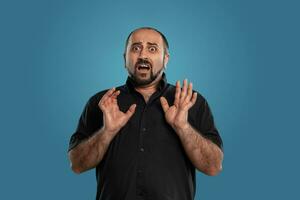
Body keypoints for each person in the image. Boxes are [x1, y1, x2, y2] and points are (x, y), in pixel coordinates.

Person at [68, 27, 224, 200]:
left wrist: (183, 127)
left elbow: (213, 167)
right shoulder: (102, 102)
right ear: (124, 59)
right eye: (135, 48)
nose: (143, 55)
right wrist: (107, 132)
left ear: (166, 59)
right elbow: (77, 165)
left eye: (152, 48)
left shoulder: (191, 102)